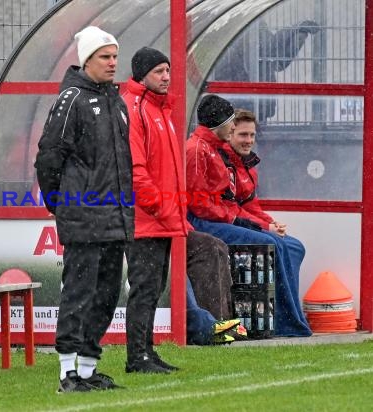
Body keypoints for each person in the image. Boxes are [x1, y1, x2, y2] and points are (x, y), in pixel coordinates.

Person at [122, 47, 246, 374]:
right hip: (146, 220)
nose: (166, 77)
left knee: (153, 289)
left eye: (168, 70)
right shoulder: (135, 110)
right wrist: (164, 209)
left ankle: (147, 352)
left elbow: (168, 174)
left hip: (165, 219)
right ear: (142, 74)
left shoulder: (162, 110)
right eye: (159, 71)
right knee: (144, 289)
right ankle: (139, 355)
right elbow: (137, 172)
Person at [34, 26, 134, 393]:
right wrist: (59, 204)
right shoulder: (71, 100)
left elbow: (121, 164)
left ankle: (89, 370)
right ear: (86, 60)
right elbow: (48, 158)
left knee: (107, 294)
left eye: (114, 57)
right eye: (105, 57)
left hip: (114, 217)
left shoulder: (116, 101)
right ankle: (66, 372)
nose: (112, 63)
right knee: (79, 291)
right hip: (83, 217)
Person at [185, 94, 312, 337]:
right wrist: (248, 223)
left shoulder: (213, 151)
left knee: (291, 246)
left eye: (251, 135)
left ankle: (286, 319)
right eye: (238, 130)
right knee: (269, 243)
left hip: (213, 218)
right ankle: (279, 322)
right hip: (202, 222)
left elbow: (241, 205)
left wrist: (265, 222)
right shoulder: (200, 150)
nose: (245, 137)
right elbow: (202, 205)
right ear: (220, 123)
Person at [214, 20, 320, 121]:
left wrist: (296, 36)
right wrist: (295, 30)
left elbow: (276, 59)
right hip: (244, 100)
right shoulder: (248, 28)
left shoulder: (229, 34)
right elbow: (272, 49)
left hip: (239, 100)